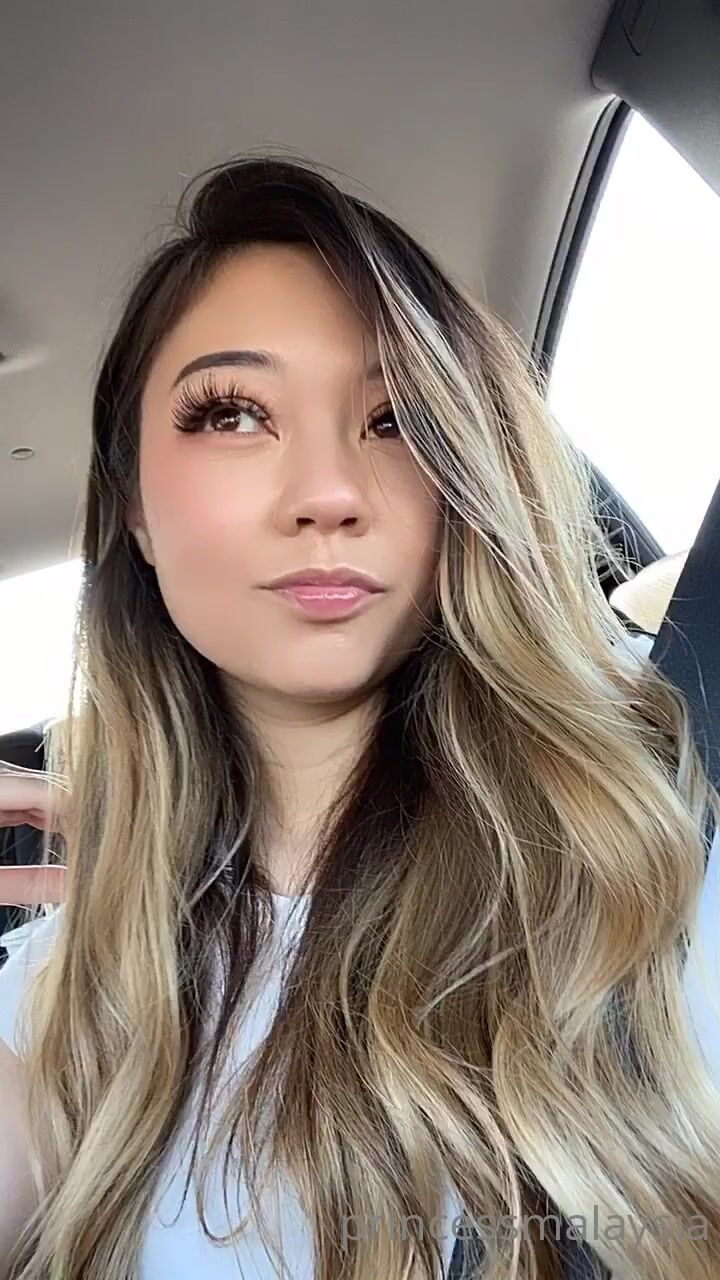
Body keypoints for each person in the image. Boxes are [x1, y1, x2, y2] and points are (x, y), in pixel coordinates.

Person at [0, 153, 719, 1280]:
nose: (330, 492)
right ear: (134, 506)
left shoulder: (649, 861)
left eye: (396, 420)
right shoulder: (63, 989)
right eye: (233, 413)